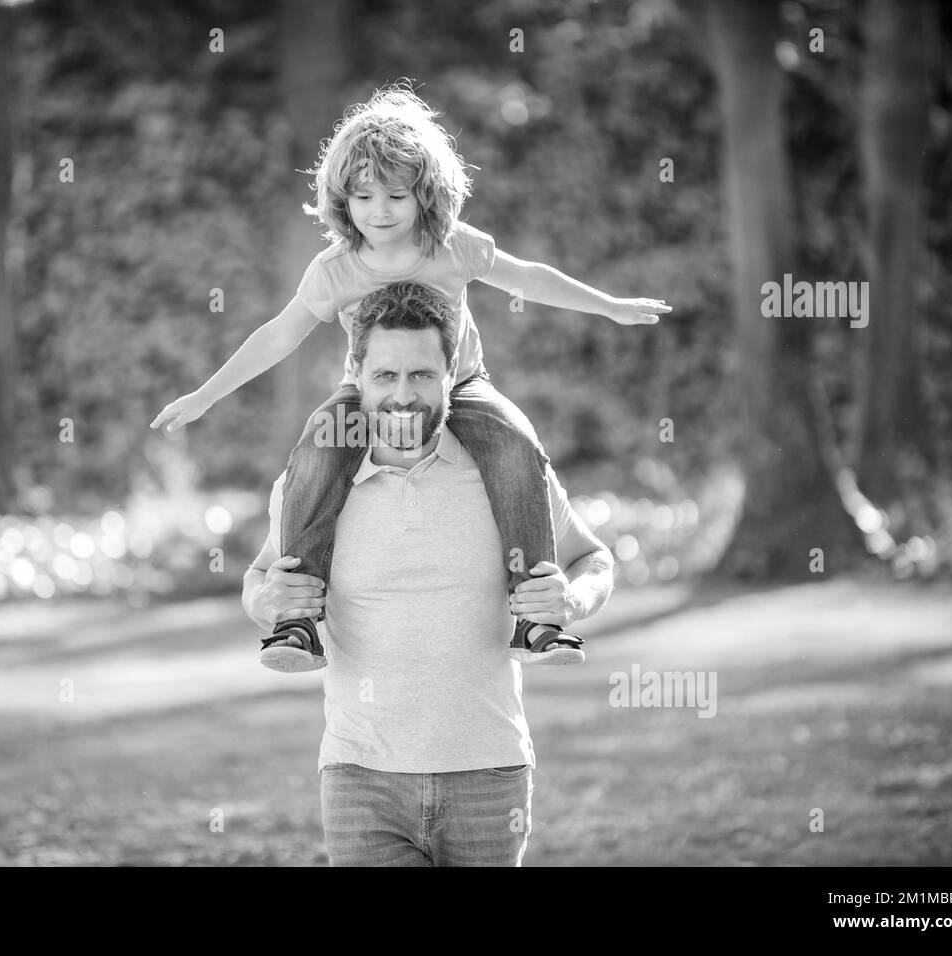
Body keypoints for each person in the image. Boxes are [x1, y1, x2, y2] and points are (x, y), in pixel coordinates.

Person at [153, 83, 662, 669]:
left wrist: (611, 306)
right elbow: (277, 335)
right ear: (342, 200)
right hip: (367, 393)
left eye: (397, 195)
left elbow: (528, 278)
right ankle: (296, 622)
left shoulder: (452, 247)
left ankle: (537, 618)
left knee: (516, 445)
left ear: (427, 194)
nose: (381, 211)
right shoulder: (336, 270)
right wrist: (205, 395)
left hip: (461, 384)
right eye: (364, 196)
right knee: (319, 449)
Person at [242, 281, 614, 866]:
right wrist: (266, 601)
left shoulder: (509, 475)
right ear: (357, 377)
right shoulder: (307, 489)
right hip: (360, 776)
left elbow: (593, 559)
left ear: (452, 376)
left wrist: (573, 599)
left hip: (489, 773)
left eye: (421, 375)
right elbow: (261, 575)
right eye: (385, 376)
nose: (402, 396)